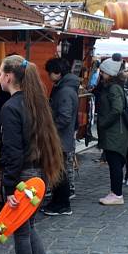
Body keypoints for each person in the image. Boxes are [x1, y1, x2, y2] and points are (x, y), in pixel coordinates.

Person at [0, 55, 63, 254]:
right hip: (39, 175)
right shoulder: (37, 101)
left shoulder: (11, 107)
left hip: (23, 177)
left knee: (21, 233)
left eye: (1, 72)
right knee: (29, 228)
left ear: (9, 76)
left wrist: (9, 186)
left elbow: (13, 152)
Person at [42, 57, 79, 216]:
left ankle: (62, 204)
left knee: (59, 172)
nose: (48, 76)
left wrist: (50, 130)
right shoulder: (65, 88)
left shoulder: (64, 91)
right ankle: (58, 202)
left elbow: (64, 117)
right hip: (61, 138)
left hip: (60, 139)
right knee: (58, 171)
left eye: (50, 73)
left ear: (57, 73)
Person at [96, 55, 127, 205]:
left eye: (103, 72)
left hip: (115, 132)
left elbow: (117, 109)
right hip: (114, 131)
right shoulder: (113, 86)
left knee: (115, 163)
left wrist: (103, 123)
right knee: (114, 162)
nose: (101, 74)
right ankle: (115, 192)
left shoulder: (113, 87)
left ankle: (117, 194)